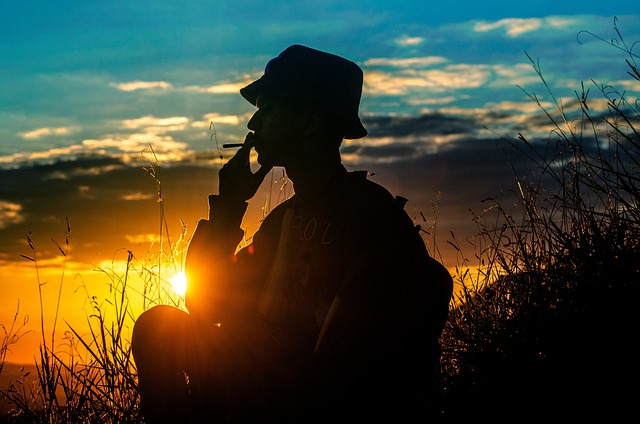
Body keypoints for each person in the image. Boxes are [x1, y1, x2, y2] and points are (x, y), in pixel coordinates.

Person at [131, 44, 453, 422]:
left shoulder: (372, 217)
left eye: (268, 108)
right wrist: (228, 207)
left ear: (308, 124)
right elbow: (206, 302)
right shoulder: (284, 220)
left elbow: (374, 365)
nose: (253, 125)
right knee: (158, 328)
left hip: (316, 404)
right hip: (269, 386)